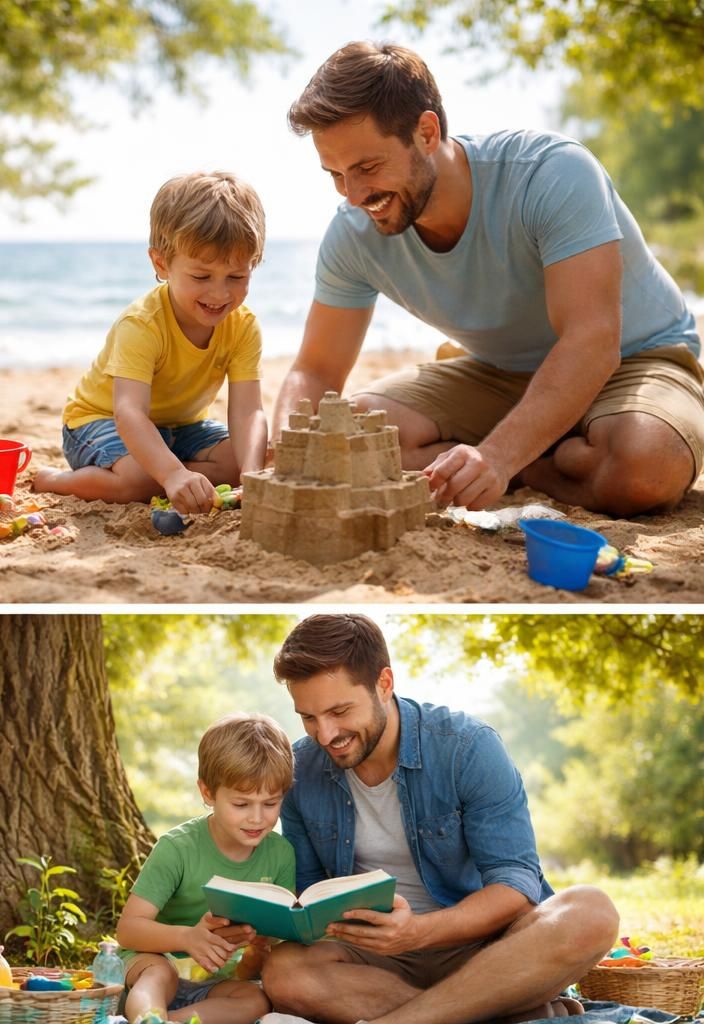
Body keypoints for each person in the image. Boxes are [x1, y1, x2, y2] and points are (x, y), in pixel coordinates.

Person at [276, 41, 704, 517]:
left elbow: (593, 340)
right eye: (335, 174)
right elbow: (315, 369)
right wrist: (283, 451)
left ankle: (515, 452)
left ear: (426, 132)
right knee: (349, 439)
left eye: (367, 168)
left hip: (636, 355)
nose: (353, 195)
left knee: (644, 468)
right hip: (499, 372)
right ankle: (536, 455)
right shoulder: (353, 232)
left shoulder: (552, 173)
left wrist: (498, 456)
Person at [260, 614, 618, 1024]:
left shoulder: (467, 748)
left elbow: (516, 885)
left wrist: (418, 932)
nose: (325, 735)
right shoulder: (300, 768)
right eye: (308, 717)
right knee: (285, 971)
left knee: (591, 911)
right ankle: (494, 1010)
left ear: (384, 684)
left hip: (483, 949)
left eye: (339, 711)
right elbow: (308, 895)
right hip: (375, 959)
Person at [33, 172, 269, 515]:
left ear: (254, 264)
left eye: (237, 277)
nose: (220, 293)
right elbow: (128, 412)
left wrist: (250, 473)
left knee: (242, 460)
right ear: (162, 263)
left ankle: (170, 472)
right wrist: (172, 472)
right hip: (98, 421)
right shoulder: (142, 324)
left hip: (181, 426)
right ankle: (53, 479)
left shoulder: (243, 326)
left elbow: (249, 411)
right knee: (142, 478)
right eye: (201, 276)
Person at [113, 712, 293, 1024]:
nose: (257, 818)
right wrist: (187, 938)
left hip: (214, 982)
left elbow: (273, 935)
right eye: (241, 804)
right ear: (208, 792)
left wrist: (261, 949)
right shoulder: (177, 848)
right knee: (160, 974)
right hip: (152, 962)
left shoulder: (280, 855)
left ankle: (170, 1021)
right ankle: (146, 1017)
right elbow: (128, 931)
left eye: (270, 803)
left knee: (255, 1000)